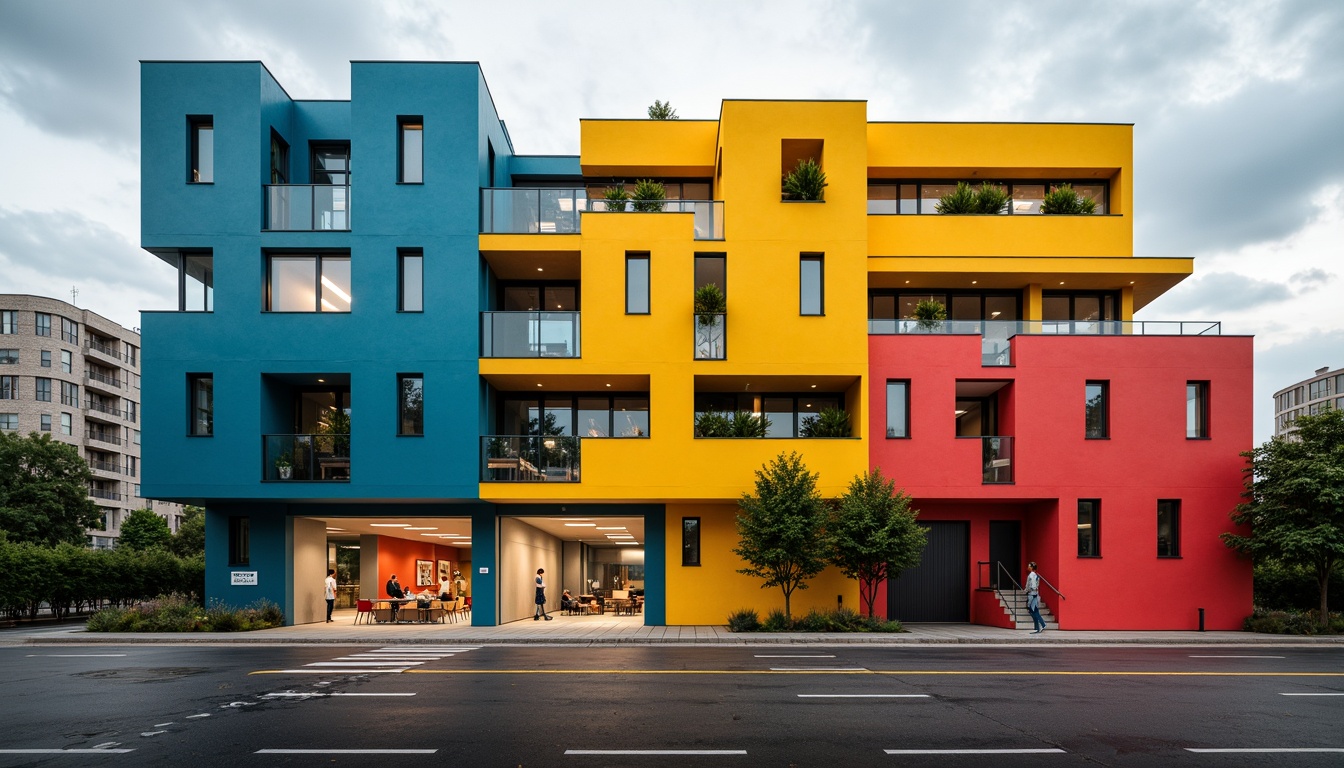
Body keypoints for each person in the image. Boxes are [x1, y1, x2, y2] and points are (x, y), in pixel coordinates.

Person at [1025, 561, 1047, 634]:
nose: (1028, 567)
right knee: (1035, 610)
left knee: (1032, 610)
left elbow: (1033, 585)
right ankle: (1038, 627)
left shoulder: (1031, 575)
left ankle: (1042, 625)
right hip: (1035, 594)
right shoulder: (1036, 575)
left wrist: (1027, 590)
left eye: (1029, 566)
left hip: (1032, 594)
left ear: (1032, 567)